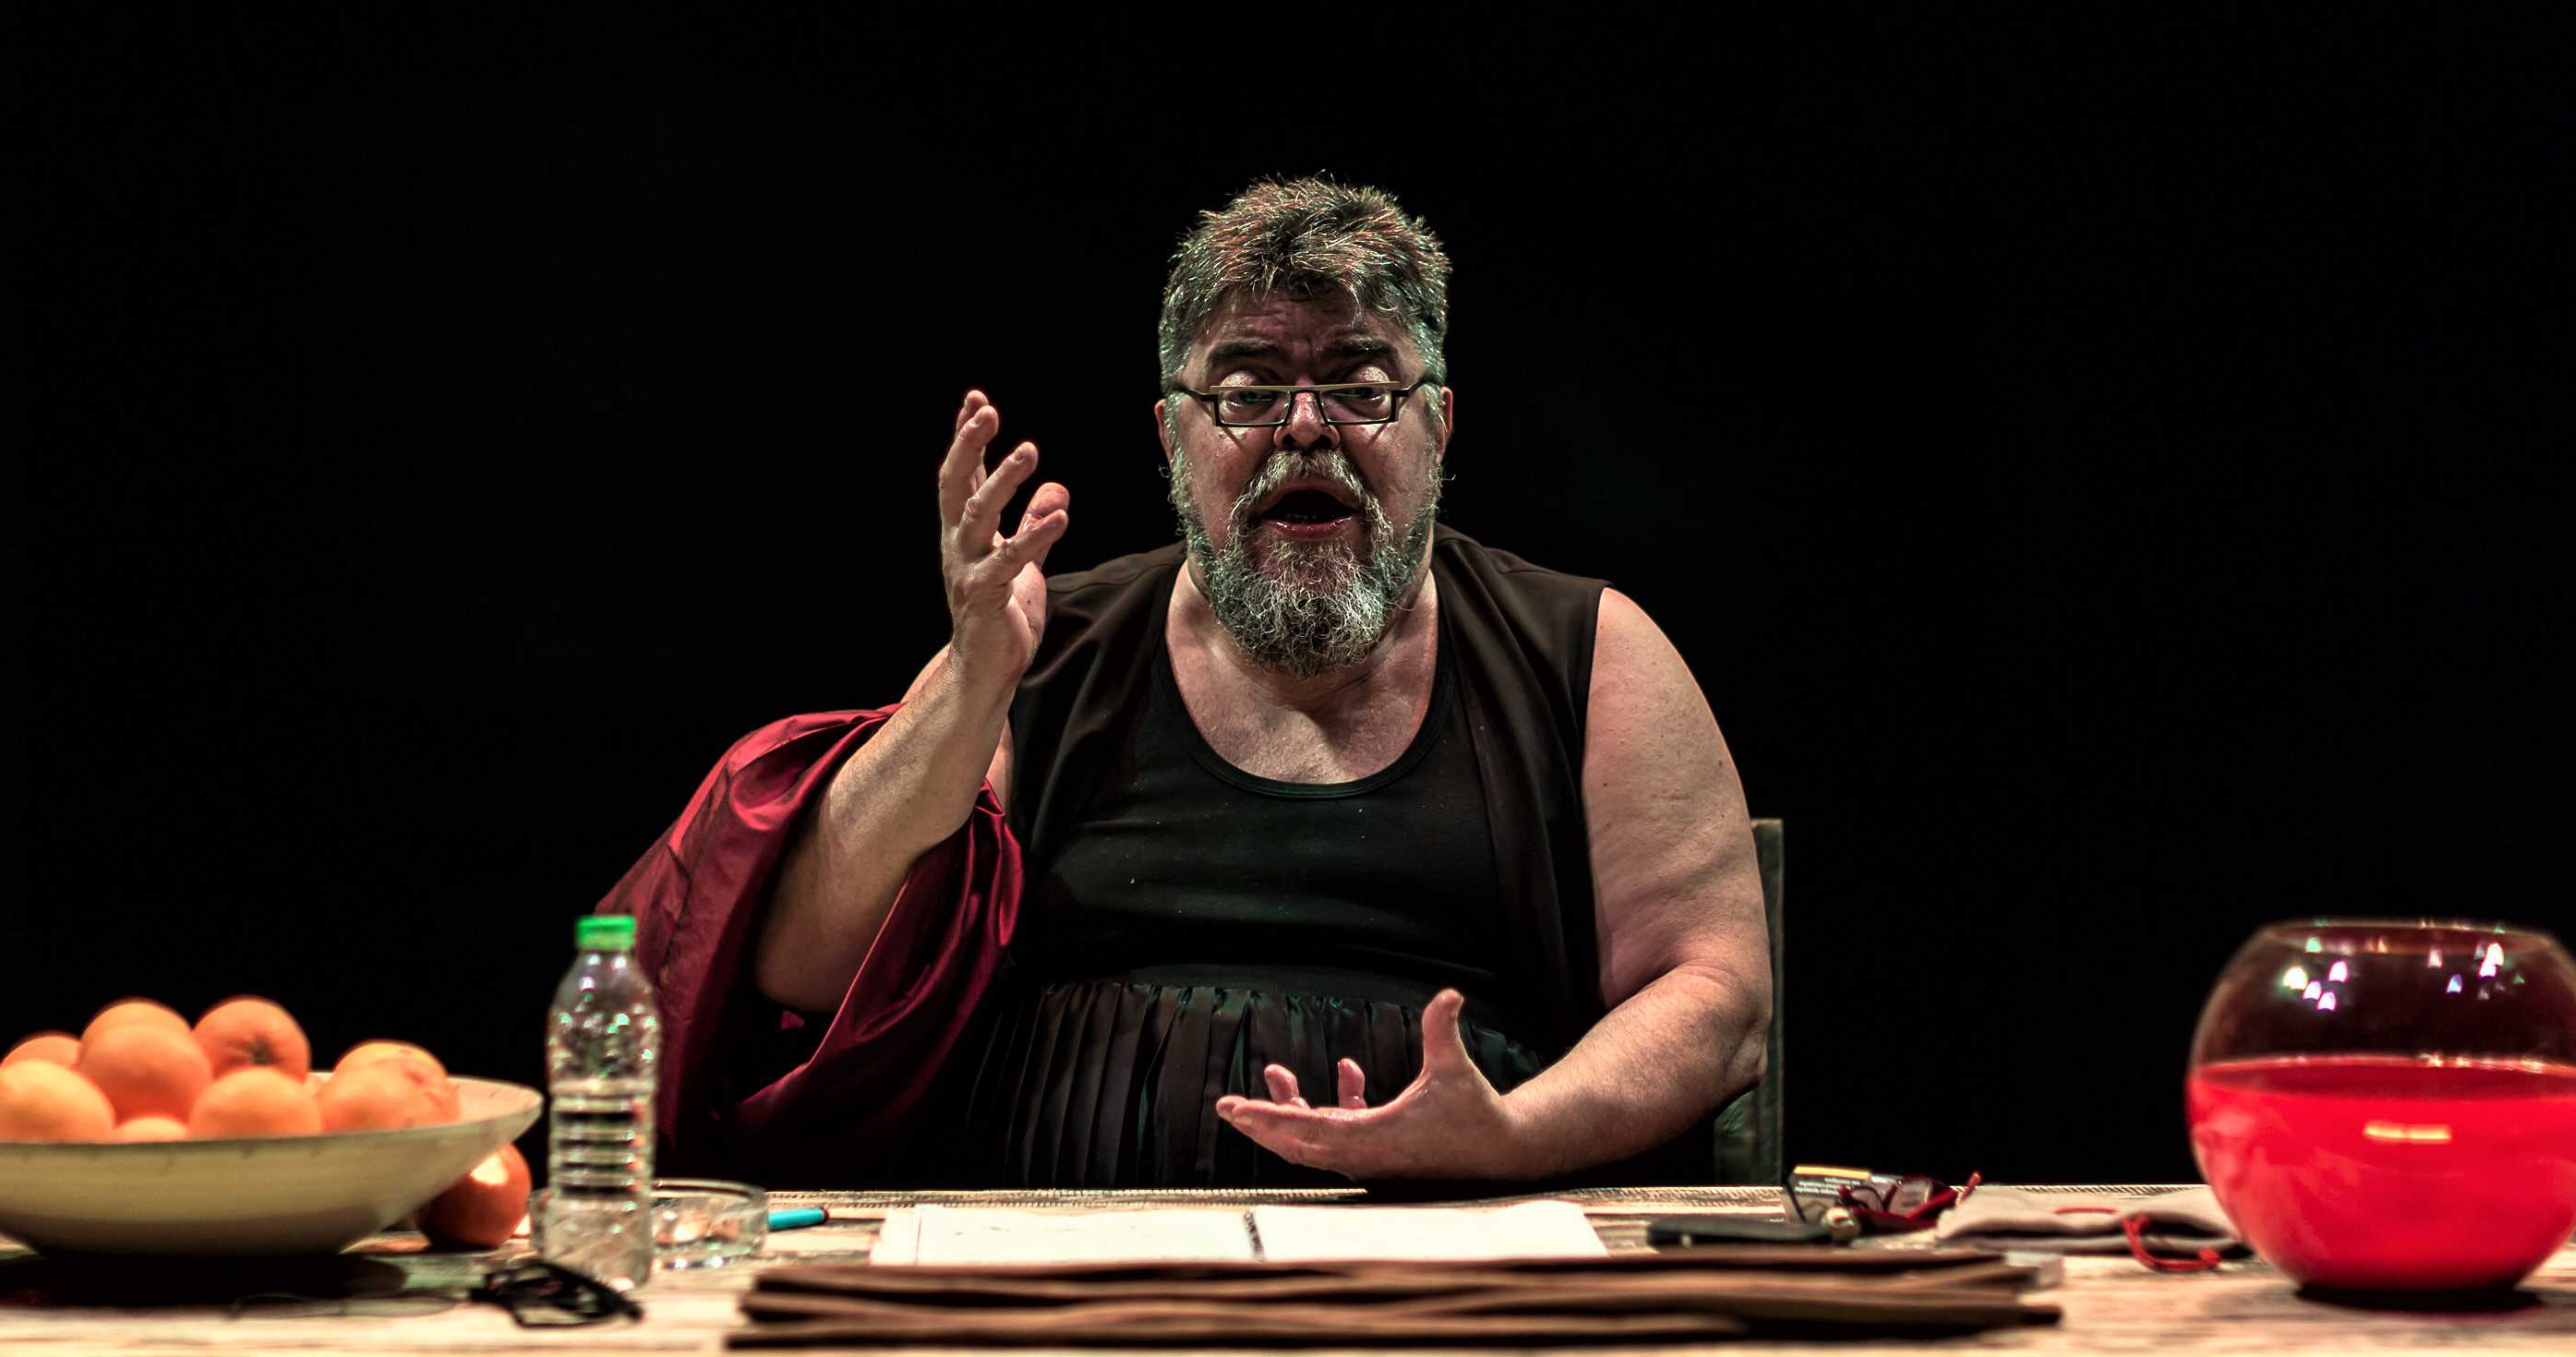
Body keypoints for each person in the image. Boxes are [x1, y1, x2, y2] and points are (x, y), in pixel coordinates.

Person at [603, 176, 1769, 1186]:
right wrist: (964, 688)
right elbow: (803, 966)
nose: (1304, 427)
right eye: (1247, 390)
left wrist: (1514, 1133)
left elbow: (1718, 999)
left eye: (1361, 386)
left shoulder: (1588, 650)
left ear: (1439, 424)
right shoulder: (1040, 647)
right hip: (1052, 1275)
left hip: (1464, 1260)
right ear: (1171, 434)